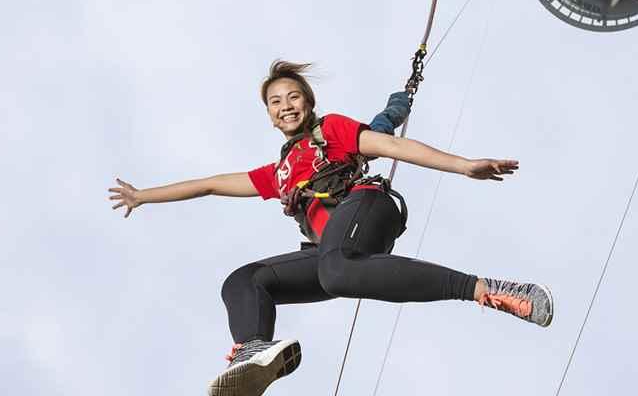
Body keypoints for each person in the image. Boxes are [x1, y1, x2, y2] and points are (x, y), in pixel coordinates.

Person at [108, 60, 553, 396]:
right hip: (328, 250)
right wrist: (143, 195)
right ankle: (253, 352)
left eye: (292, 97)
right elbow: (208, 185)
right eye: (275, 102)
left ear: (308, 102)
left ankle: (484, 288)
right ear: (268, 114)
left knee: (335, 269)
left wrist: (463, 166)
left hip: (367, 208)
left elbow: (391, 143)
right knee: (243, 281)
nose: (285, 107)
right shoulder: (279, 171)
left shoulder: (332, 131)